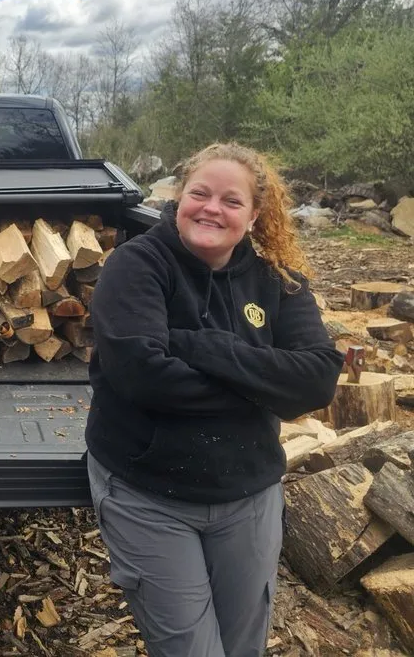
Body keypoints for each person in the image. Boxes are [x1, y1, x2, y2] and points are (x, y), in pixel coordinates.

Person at [85, 143, 344, 657]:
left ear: (252, 217)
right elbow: (144, 376)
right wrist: (264, 388)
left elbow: (317, 382)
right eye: (199, 193)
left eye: (231, 200)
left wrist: (197, 344)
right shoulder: (137, 266)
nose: (211, 208)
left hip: (248, 496)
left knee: (243, 646)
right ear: (179, 199)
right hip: (148, 492)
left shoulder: (277, 280)